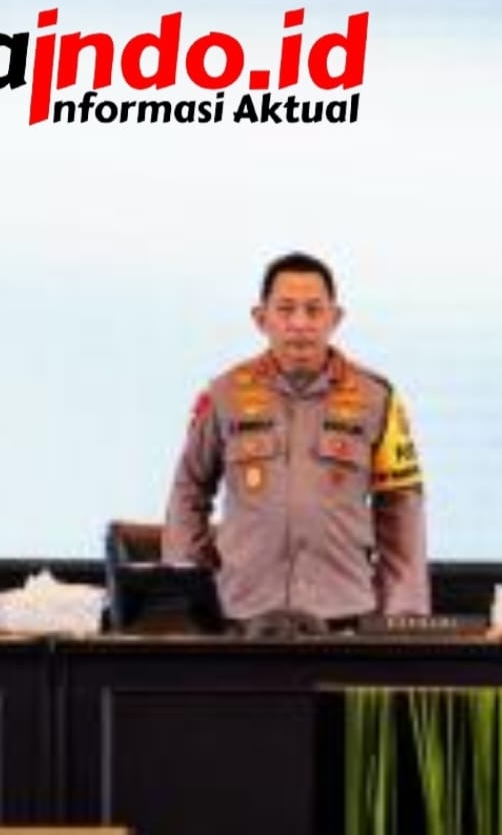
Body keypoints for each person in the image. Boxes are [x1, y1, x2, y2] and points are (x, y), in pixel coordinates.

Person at [163, 252, 429, 625]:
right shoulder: (224, 395)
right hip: (242, 614)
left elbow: (401, 505)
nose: (300, 323)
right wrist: (190, 594)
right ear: (261, 318)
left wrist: (404, 615)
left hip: (344, 613)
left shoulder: (377, 397)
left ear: (335, 318)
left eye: (313, 310)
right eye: (286, 309)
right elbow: (188, 489)